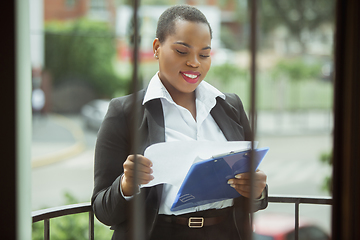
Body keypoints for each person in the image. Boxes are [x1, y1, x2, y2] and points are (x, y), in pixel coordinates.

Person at [91, 5, 268, 240]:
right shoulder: (124, 112)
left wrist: (257, 191)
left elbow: (253, 194)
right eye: (182, 51)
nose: (195, 63)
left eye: (204, 54)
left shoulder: (230, 107)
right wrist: (126, 185)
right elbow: (102, 210)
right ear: (156, 48)